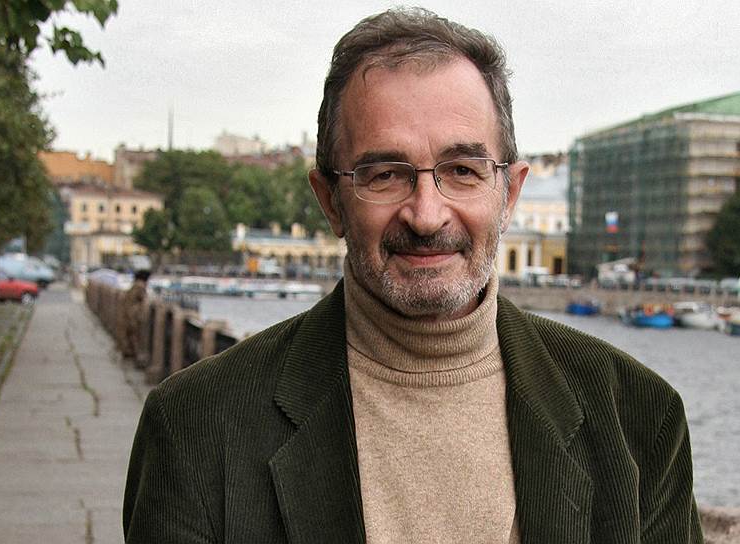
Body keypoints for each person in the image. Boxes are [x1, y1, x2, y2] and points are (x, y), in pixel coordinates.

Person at [123, 8, 702, 543]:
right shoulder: (196, 426)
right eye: (385, 175)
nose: (426, 215)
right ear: (330, 201)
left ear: (509, 194)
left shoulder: (640, 418)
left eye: (462, 170)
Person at [120, 269, 150, 365]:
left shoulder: (135, 285)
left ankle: (129, 353)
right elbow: (144, 300)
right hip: (134, 315)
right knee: (136, 336)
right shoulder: (140, 286)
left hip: (128, 314)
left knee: (130, 335)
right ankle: (137, 358)